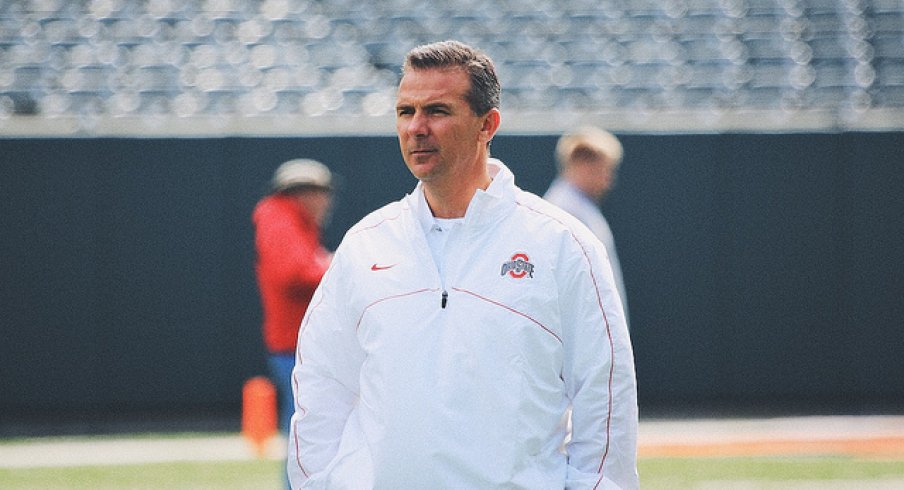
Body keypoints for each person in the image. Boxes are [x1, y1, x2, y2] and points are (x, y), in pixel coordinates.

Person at [288, 40, 638, 489]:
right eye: (404, 112)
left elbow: (605, 399)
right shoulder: (364, 246)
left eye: (437, 110)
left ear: (486, 125)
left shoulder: (563, 244)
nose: (417, 127)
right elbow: (321, 389)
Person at [253, 158, 333, 437]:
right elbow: (294, 273)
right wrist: (334, 266)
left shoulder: (288, 221)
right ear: (303, 194)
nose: (327, 201)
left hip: (295, 341)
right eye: (322, 193)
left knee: (307, 427)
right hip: (294, 343)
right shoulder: (280, 218)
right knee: (306, 431)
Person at [544, 126, 629, 327]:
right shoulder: (564, 210)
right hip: (582, 330)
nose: (608, 180)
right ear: (582, 164)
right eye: (604, 170)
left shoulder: (580, 206)